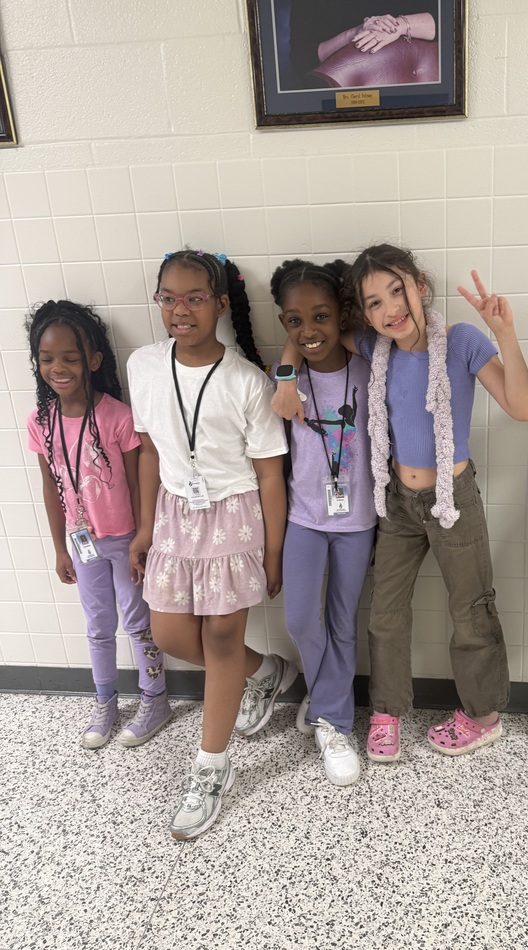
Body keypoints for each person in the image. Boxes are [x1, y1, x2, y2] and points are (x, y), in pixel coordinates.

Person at [274, 244, 528, 762]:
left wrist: (504, 333)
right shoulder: (375, 347)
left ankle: (483, 716)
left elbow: (522, 407)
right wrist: (284, 375)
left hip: (452, 496)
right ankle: (387, 711)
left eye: (397, 291)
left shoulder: (461, 341)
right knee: (385, 613)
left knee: (471, 607)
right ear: (363, 313)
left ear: (420, 285)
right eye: (374, 302)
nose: (390, 309)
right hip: (394, 499)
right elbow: (307, 337)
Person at [128, 250, 295, 841]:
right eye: (169, 297)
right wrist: (144, 528)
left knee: (221, 637)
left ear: (220, 303)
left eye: (195, 297)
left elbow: (270, 474)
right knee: (173, 634)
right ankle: (266, 671)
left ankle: (210, 770)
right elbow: (150, 451)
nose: (181, 309)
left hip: (234, 515)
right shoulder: (144, 365)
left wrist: (272, 551)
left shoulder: (246, 381)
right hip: (174, 513)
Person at [27, 300, 170, 750]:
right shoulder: (40, 423)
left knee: (139, 622)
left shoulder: (118, 416)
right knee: (98, 625)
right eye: (47, 358)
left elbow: (139, 482)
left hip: (125, 541)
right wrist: (60, 548)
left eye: (70, 357)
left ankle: (155, 699)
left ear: (93, 361)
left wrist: (144, 537)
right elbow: (50, 487)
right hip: (81, 542)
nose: (58, 368)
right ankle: (105, 700)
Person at [270, 258, 376, 786]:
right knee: (300, 621)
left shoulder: (370, 369)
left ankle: (333, 721)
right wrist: (288, 369)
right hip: (305, 518)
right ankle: (329, 702)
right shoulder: (286, 378)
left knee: (342, 622)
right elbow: (287, 373)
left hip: (357, 521)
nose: (309, 330)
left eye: (321, 316)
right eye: (295, 321)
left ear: (342, 316)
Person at [288, 1, 437, 82]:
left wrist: (398, 26)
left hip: (418, 90)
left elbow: (446, 22)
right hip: (347, 98)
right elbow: (302, 60)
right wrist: (353, 34)